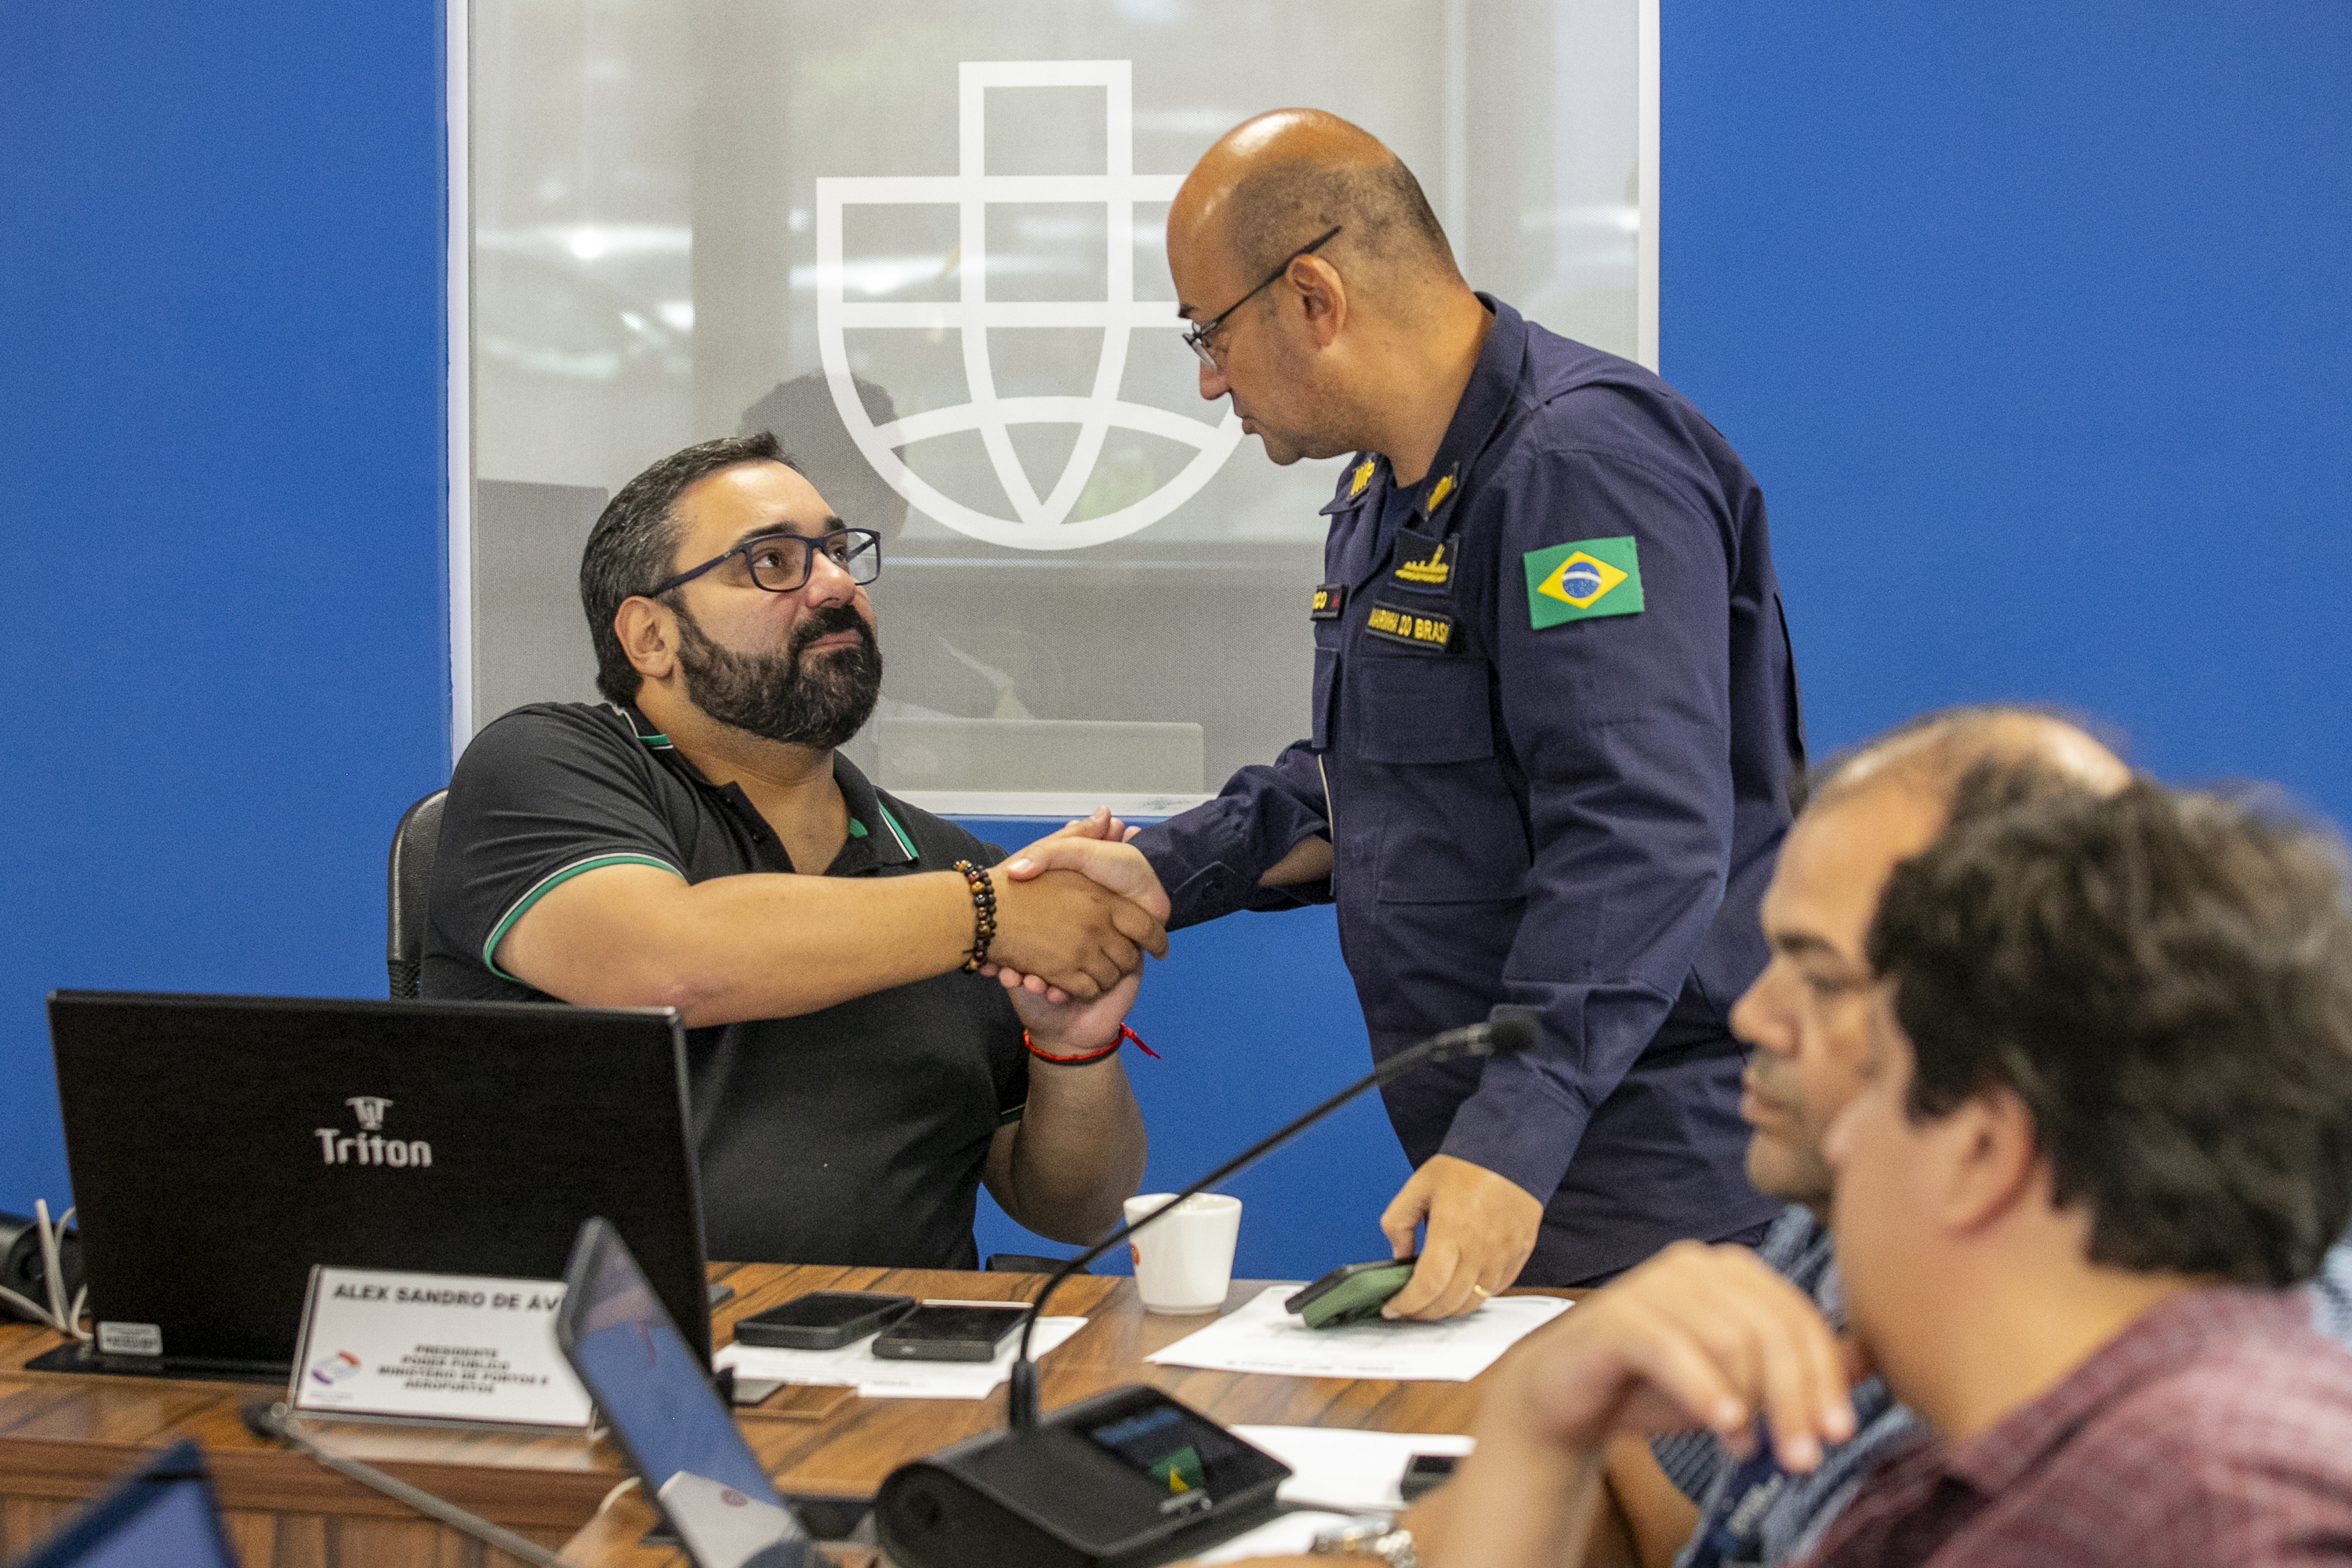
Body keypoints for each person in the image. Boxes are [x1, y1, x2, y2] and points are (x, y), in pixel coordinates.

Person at [1028, 107, 1806, 1309]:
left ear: (1313, 298)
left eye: (1209, 331)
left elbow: (1637, 836)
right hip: (1530, 1178)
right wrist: (1166, 870)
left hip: (1657, 1182)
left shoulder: (1576, 464)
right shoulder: (1385, 488)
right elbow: (1374, 776)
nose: (1206, 378)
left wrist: (1514, 1132)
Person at [1425, 775, 2352, 1568]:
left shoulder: (2230, 1500)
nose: (1841, 1143)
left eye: (1876, 1088)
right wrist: (1537, 1432)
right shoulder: (1954, 1484)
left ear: (1979, 1150)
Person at [420, 432, 1166, 1267]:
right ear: (650, 637)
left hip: (905, 1374)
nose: (838, 583)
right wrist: (993, 911)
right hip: (601, 1369)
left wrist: (1071, 1045)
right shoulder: (544, 765)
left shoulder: (945, 863)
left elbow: (1075, 1208)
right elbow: (662, 963)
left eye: (840, 552)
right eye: (773, 562)